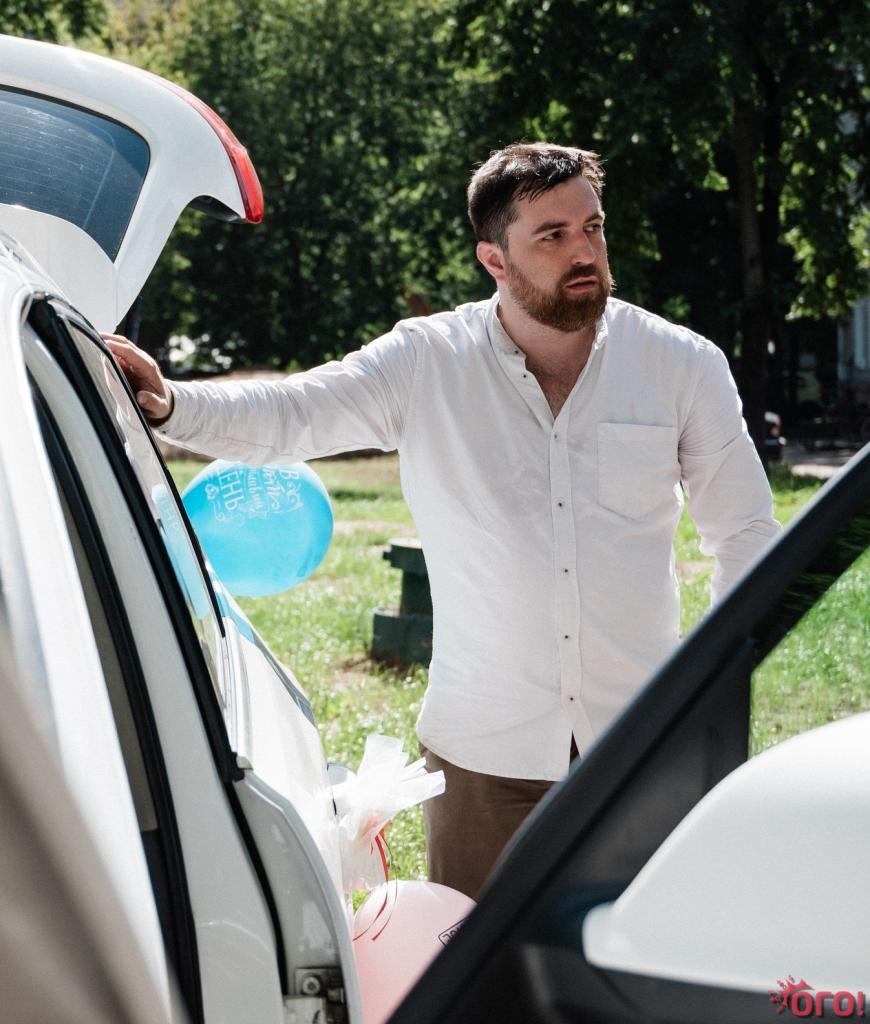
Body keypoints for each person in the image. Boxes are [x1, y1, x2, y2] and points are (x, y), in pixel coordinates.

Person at [107, 142, 781, 900]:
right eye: (553, 236)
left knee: (638, 959)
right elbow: (296, 412)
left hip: (644, 743)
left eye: (592, 227)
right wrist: (173, 403)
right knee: (478, 963)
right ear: (495, 260)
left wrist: (712, 682)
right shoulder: (427, 360)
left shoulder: (682, 365)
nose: (584, 252)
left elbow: (745, 533)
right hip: (483, 756)